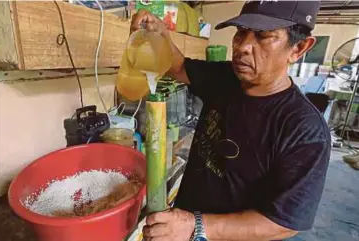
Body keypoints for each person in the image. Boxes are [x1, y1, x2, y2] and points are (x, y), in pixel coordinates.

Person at [131, 1, 331, 240]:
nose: (243, 47)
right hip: (181, 224)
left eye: (264, 36)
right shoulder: (227, 78)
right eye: (241, 33)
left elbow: (284, 221)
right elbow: (179, 67)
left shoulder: (304, 129)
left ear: (299, 48)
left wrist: (195, 226)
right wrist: (161, 33)